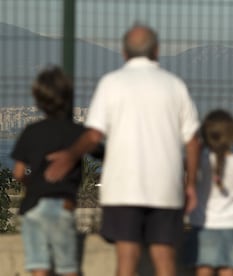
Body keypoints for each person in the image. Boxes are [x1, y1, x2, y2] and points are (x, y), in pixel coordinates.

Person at [44, 23, 200, 276]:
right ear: (157, 51)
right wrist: (191, 183)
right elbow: (192, 140)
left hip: (123, 188)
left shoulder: (111, 83)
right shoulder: (174, 86)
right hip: (165, 188)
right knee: (164, 257)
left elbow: (94, 134)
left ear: (124, 52)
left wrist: (70, 156)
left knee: (127, 258)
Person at [10, 66, 84, 276]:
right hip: (63, 205)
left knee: (38, 267)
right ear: (68, 97)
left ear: (38, 99)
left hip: (32, 206)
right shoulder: (76, 132)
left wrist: (32, 184)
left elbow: (18, 172)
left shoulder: (31, 132)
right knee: (67, 268)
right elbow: (101, 151)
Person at [183, 109, 233, 276]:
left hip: (203, 226)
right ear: (232, 136)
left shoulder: (201, 161)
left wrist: (201, 140)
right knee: (228, 270)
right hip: (230, 226)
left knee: (203, 268)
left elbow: (187, 164)